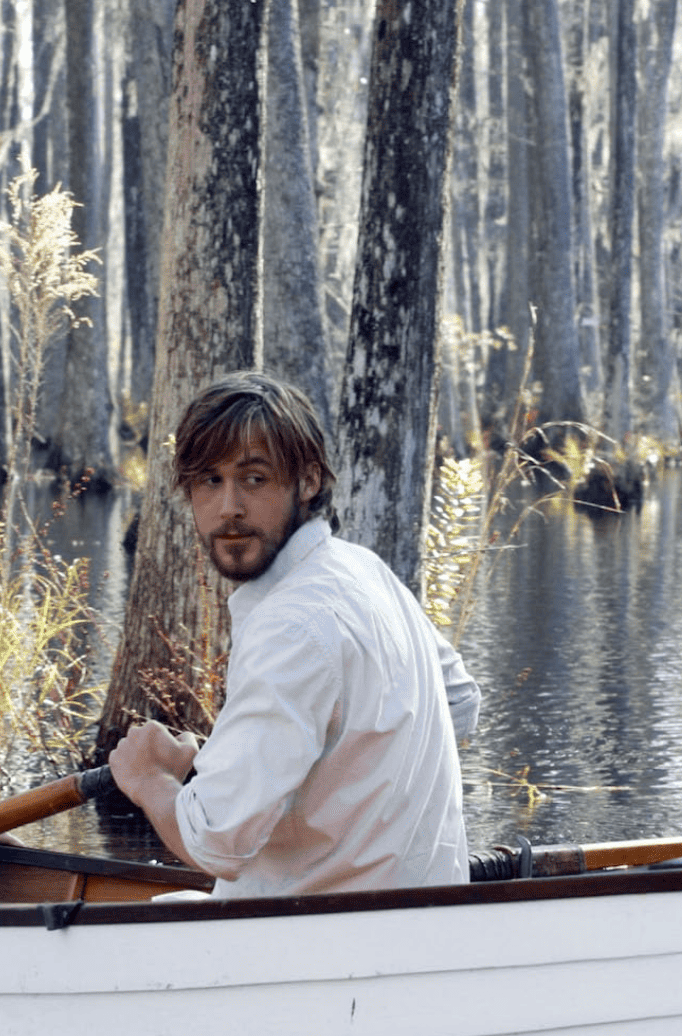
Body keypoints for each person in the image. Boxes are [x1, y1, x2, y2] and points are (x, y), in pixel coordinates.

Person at [108, 371, 480, 898]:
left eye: (254, 478)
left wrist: (149, 780)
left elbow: (215, 844)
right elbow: (461, 702)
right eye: (209, 481)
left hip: (313, 945)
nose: (229, 506)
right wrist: (289, 767)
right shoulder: (360, 569)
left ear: (307, 481)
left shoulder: (291, 624)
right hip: (419, 922)